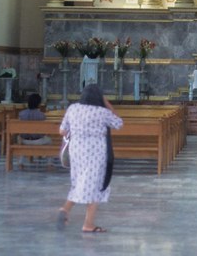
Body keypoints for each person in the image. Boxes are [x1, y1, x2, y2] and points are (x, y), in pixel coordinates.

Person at [58, 84, 123, 233]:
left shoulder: (73, 109)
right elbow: (119, 123)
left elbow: (62, 130)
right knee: (95, 185)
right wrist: (107, 104)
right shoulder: (102, 112)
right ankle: (85, 222)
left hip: (76, 151)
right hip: (95, 153)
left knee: (79, 181)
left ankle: (69, 210)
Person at [19, 93, 50, 165]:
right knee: (49, 140)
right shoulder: (41, 115)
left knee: (21, 141)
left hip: (24, 140)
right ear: (39, 104)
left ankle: (20, 162)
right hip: (38, 140)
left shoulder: (21, 114)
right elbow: (44, 131)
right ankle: (49, 163)